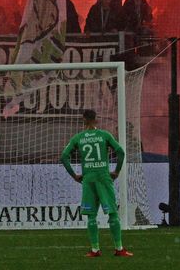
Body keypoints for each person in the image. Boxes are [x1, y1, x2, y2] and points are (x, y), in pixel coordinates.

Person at [61, 109, 133, 258]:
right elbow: (120, 152)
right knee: (113, 214)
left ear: (83, 120)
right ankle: (119, 248)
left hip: (88, 179)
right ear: (96, 119)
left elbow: (64, 156)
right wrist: (117, 171)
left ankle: (95, 250)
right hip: (103, 177)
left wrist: (74, 175)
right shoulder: (104, 135)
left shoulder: (78, 138)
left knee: (91, 216)